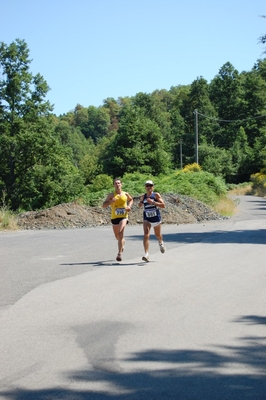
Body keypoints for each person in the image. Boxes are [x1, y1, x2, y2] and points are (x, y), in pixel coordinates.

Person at [103, 178, 133, 262]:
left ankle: (119, 254)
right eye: (116, 183)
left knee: (120, 233)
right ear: (114, 185)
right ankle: (122, 242)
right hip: (114, 217)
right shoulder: (111, 195)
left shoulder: (125, 194)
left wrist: (129, 207)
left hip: (124, 216)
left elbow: (131, 200)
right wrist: (111, 201)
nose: (117, 185)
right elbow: (103, 205)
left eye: (119, 183)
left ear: (121, 185)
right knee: (117, 236)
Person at [138, 180, 166, 262]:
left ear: (153, 187)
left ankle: (161, 243)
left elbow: (163, 205)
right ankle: (146, 254)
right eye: (147, 185)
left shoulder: (156, 195)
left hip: (156, 217)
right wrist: (140, 204)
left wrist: (153, 202)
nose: (149, 187)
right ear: (145, 187)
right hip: (147, 217)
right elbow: (140, 203)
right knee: (146, 234)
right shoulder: (143, 196)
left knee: (157, 234)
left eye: (150, 185)